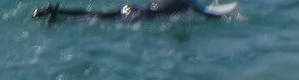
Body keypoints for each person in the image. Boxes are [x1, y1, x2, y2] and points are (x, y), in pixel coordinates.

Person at [36, 0, 222, 19]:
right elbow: (209, 14)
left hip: (131, 7)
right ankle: (58, 16)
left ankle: (58, 10)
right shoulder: (187, 2)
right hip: (138, 15)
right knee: (95, 18)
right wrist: (228, 19)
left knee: (95, 14)